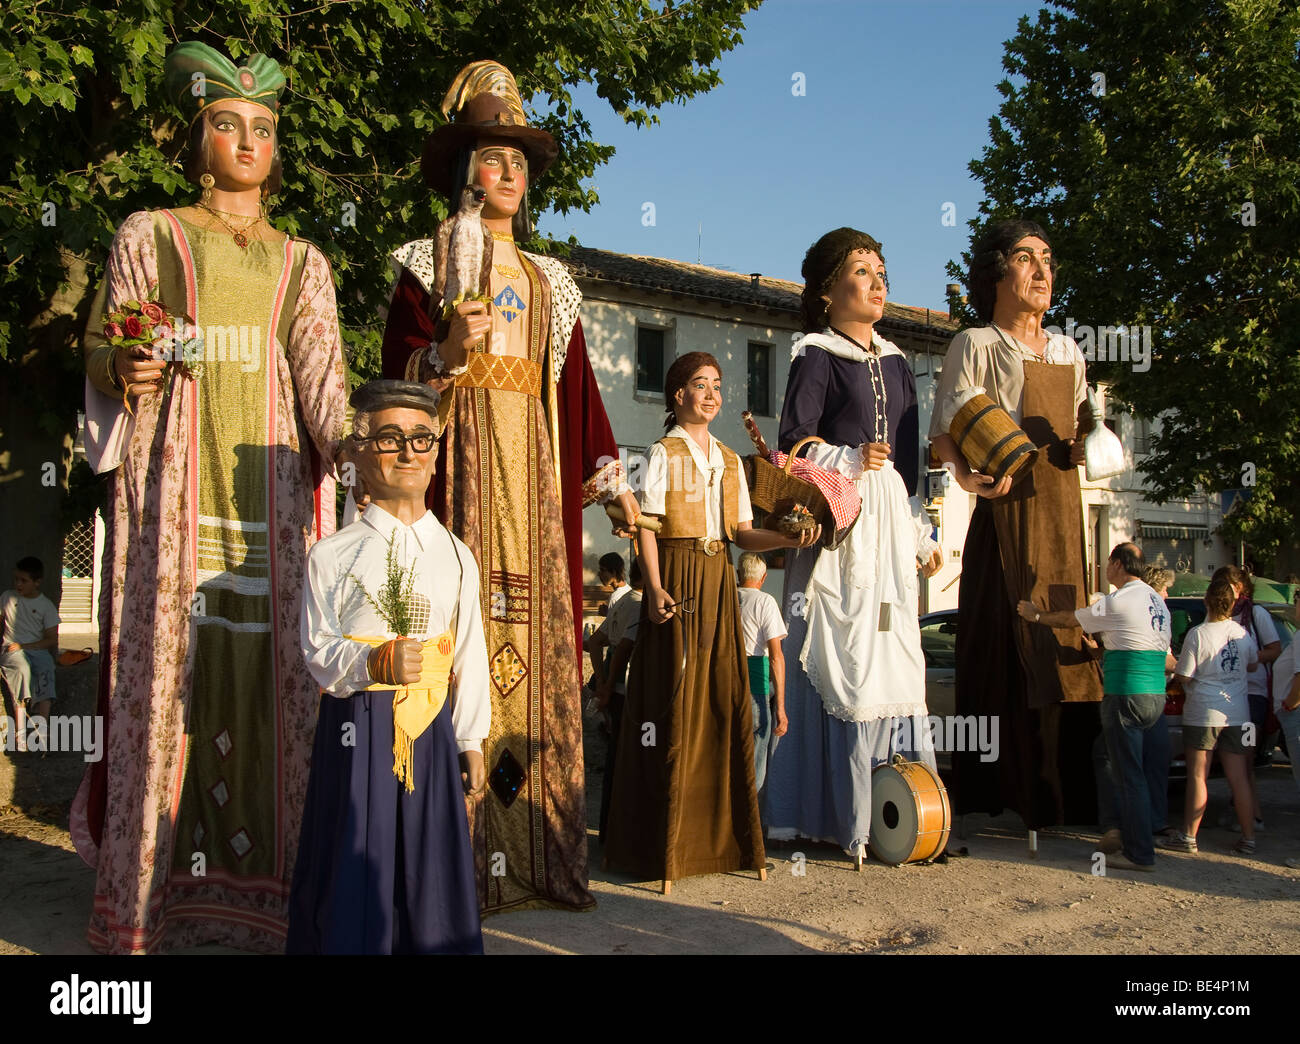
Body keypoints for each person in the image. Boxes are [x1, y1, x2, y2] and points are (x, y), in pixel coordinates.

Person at [72, 42, 348, 953]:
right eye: (227, 124)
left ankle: (276, 902)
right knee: (167, 673)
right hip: (174, 480)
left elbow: (327, 396)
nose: (246, 140)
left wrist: (389, 439)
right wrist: (123, 362)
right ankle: (148, 905)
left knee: (278, 683)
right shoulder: (147, 234)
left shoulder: (303, 261)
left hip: (271, 489)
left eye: (262, 128)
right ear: (197, 139)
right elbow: (105, 352)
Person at [381, 59, 638, 914]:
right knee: (457, 652)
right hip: (459, 479)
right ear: (465, 171)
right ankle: (455, 866)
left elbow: (577, 395)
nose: (510, 175)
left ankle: (538, 858)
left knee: (534, 653)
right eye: (495, 158)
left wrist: (612, 485)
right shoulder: (426, 263)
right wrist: (442, 359)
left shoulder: (548, 279)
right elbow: (396, 385)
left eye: (521, 163)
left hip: (534, 486)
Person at [603, 353, 819, 891]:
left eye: (718, 386)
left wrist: (786, 540)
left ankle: (720, 842)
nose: (712, 394)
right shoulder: (660, 452)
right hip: (673, 575)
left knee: (722, 701)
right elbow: (645, 525)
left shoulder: (728, 458)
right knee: (669, 700)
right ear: (678, 395)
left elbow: (743, 533)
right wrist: (652, 587)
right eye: (700, 385)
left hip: (718, 577)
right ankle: (659, 846)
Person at [288, 381, 489, 954]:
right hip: (358, 729)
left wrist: (471, 736)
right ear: (357, 455)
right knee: (358, 854)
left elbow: (469, 648)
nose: (408, 452)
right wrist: (373, 658)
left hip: (429, 731)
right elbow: (317, 650)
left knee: (430, 861)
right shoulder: (332, 553)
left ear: (435, 451)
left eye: (421, 438)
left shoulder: (456, 553)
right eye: (390, 438)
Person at [764, 228, 942, 860]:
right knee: (838, 651)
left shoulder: (897, 361)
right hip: (842, 517)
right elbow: (794, 443)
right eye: (862, 271)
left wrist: (922, 533)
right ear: (826, 291)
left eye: (882, 271)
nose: (877, 281)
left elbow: (915, 461)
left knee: (895, 652)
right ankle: (824, 814)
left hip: (891, 521)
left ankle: (903, 806)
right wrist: (850, 458)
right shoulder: (814, 352)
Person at [929, 218, 1102, 831]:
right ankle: (1005, 791)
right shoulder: (974, 343)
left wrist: (1086, 448)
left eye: (1048, 261)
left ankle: (1068, 796)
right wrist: (964, 476)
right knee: (1002, 644)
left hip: (1062, 515)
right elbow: (944, 431)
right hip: (1002, 512)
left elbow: (1081, 429)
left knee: (1067, 640)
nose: (1041, 272)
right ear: (997, 273)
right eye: (1026, 259)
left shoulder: (1068, 351)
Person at [1017, 542, 1171, 871]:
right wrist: (1101, 652)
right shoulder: (1156, 601)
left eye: (1108, 563)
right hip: (1154, 695)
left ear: (1116, 565)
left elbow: (1071, 619)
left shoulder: (1120, 600)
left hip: (1126, 694)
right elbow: (1137, 644)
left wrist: (1037, 614)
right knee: (1111, 757)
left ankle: (1139, 852)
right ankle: (1119, 828)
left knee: (1130, 776)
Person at [1159, 579, 1259, 856]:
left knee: (1197, 776)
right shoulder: (1241, 632)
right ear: (1233, 603)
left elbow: (1184, 674)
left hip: (1203, 711)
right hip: (1238, 713)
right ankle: (1249, 837)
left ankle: (1189, 837)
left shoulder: (1198, 634)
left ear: (1206, 601)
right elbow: (1252, 664)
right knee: (1239, 777)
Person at [594, 557, 644, 840]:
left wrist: (602, 683)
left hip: (614, 691)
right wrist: (608, 682)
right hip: (625, 691)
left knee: (614, 759)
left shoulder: (623, 601)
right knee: (625, 760)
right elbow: (623, 648)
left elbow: (597, 642)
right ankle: (619, 831)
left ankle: (608, 829)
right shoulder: (636, 605)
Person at [736, 552, 787, 792]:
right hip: (756, 685)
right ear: (763, 577)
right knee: (754, 766)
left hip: (725, 684)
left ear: (739, 574)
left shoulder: (725, 598)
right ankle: (747, 823)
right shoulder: (765, 602)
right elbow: (776, 656)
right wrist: (781, 708)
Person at [0, 557, 60, 740]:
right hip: (11, 649)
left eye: (24, 581)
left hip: (36, 649)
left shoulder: (46, 605)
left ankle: (42, 727)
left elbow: (51, 639)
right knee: (22, 669)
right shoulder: (7, 597)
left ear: (37, 582)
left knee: (45, 668)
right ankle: (19, 730)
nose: (18, 584)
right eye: (16, 579)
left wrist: (26, 646)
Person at [584, 552, 630, 687]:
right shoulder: (626, 592)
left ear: (614, 572)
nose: (600, 574)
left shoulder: (616, 597)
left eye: (603, 570)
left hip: (615, 656)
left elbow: (611, 634)